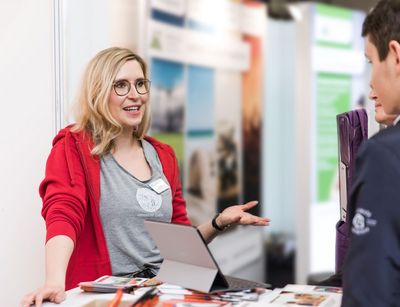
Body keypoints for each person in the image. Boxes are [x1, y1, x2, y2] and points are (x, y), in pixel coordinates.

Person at [21, 47, 270, 307]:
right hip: (111, 295)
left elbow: (180, 240)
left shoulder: (163, 155)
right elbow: (63, 212)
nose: (135, 95)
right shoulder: (74, 146)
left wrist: (220, 222)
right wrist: (54, 282)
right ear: (97, 91)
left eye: (140, 84)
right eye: (121, 85)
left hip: (166, 291)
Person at [342, 0, 400, 305]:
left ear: (395, 56)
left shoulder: (384, 156)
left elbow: (368, 294)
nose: (371, 81)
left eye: (371, 62)